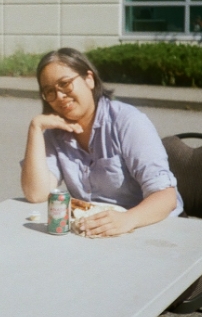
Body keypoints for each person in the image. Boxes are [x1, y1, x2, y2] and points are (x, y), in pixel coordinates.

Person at [20, 47, 184, 237]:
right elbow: (36, 194)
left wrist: (128, 220)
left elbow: (166, 196)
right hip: (96, 233)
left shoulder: (127, 121)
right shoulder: (55, 130)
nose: (59, 97)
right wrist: (36, 128)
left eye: (65, 84)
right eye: (49, 91)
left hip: (148, 228)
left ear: (89, 79)